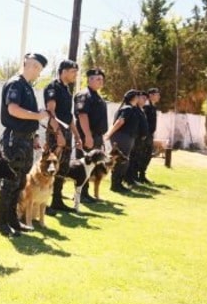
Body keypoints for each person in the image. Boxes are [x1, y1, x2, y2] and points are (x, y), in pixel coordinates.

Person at [0, 53, 49, 237]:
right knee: (10, 181)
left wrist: (34, 136)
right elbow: (13, 110)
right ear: (31, 66)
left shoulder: (27, 87)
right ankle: (0, 223)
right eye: (39, 69)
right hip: (14, 139)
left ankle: (12, 220)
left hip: (25, 140)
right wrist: (38, 116)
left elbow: (27, 115)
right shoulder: (16, 84)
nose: (39, 73)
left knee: (20, 182)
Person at [43, 59, 81, 214]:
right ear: (63, 71)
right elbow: (51, 112)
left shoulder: (66, 90)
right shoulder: (53, 87)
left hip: (66, 133)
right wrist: (58, 134)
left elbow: (68, 116)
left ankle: (56, 200)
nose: (75, 75)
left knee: (63, 168)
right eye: (73, 72)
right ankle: (43, 203)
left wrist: (77, 135)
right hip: (56, 132)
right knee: (51, 167)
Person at [73, 68, 109, 203]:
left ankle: (85, 193)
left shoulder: (96, 96)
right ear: (90, 79)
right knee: (83, 166)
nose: (101, 82)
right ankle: (80, 195)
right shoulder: (84, 95)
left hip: (96, 136)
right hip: (88, 136)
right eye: (98, 79)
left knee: (90, 167)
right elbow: (82, 115)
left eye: (102, 79)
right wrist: (88, 136)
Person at [105, 89, 143, 193]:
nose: (140, 98)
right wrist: (109, 134)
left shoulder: (131, 108)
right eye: (138, 96)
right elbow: (120, 122)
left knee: (124, 161)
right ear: (134, 98)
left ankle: (118, 183)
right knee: (121, 161)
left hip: (126, 137)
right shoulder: (127, 108)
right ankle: (115, 185)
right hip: (122, 137)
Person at [125, 90, 150, 186]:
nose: (144, 100)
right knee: (131, 159)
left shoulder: (140, 110)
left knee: (136, 159)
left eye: (145, 99)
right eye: (142, 98)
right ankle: (129, 178)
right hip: (134, 138)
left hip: (139, 139)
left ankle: (133, 177)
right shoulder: (133, 109)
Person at [137, 87, 161, 183]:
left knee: (147, 155)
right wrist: (144, 134)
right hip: (145, 135)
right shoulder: (146, 107)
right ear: (151, 95)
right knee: (142, 155)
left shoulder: (153, 107)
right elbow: (144, 122)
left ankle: (142, 175)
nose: (159, 96)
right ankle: (138, 175)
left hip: (150, 134)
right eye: (157, 94)